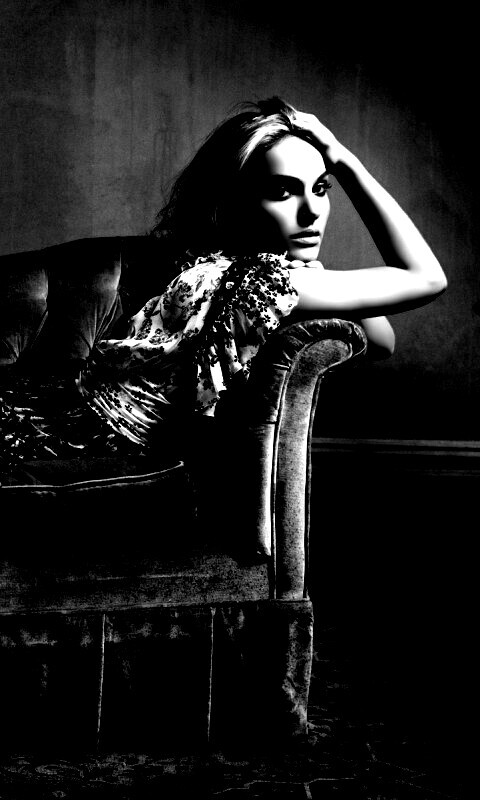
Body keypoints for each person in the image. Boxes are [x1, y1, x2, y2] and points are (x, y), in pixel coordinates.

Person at [0, 97, 447, 468]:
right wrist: (345, 161)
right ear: (235, 203)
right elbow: (426, 278)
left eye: (321, 188)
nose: (311, 212)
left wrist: (316, 269)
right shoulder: (254, 282)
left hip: (62, 420)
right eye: (283, 191)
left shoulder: (225, 269)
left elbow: (378, 341)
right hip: (60, 435)